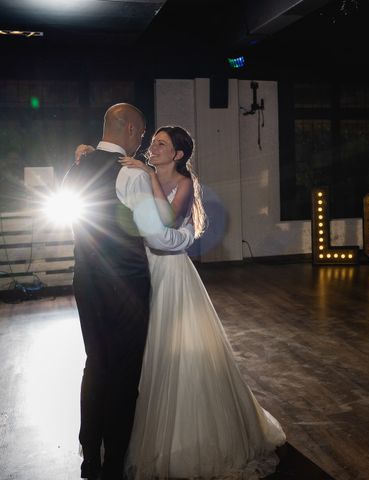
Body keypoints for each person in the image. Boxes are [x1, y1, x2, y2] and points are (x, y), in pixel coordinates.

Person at [75, 125, 286, 480]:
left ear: (178, 155)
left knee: (173, 354)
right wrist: (85, 151)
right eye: (152, 142)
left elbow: (168, 223)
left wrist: (150, 178)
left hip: (168, 271)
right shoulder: (136, 172)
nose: (152, 148)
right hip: (140, 271)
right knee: (144, 355)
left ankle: (179, 437)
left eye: (161, 145)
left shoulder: (182, 182)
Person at [63, 104, 195, 480]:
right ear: (132, 129)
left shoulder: (77, 167)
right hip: (125, 286)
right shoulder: (131, 175)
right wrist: (188, 236)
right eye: (142, 135)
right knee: (123, 375)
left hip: (85, 279)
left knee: (96, 365)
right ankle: (114, 463)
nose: (142, 143)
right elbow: (158, 237)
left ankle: (90, 456)